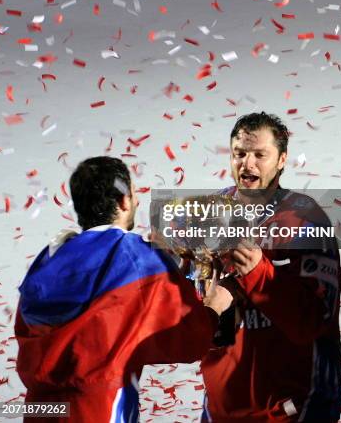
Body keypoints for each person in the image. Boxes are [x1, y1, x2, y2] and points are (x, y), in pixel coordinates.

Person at [15, 156, 232, 423]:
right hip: (97, 409)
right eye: (133, 193)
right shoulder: (136, 256)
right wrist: (213, 311)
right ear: (123, 201)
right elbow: (188, 341)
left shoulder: (47, 257)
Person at [201, 112, 341, 423]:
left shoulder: (307, 220)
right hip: (221, 407)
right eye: (240, 153)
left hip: (293, 409)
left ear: (281, 160)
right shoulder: (209, 216)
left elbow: (314, 321)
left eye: (259, 155)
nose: (247, 164)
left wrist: (257, 273)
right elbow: (196, 315)